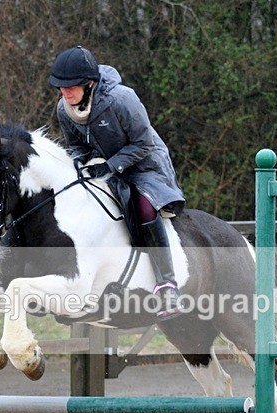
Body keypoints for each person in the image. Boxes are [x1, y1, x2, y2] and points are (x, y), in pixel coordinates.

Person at [49, 45, 184, 319]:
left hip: (144, 166)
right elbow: (75, 147)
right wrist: (79, 165)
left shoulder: (121, 98)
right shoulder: (64, 110)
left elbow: (143, 143)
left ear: (89, 83)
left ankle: (167, 284)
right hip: (104, 168)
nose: (65, 92)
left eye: (71, 86)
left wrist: (110, 165)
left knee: (144, 206)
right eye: (61, 87)